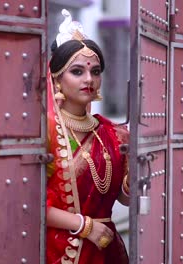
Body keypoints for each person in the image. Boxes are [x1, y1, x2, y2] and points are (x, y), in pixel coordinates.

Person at [46, 9, 130, 264]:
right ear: (57, 79)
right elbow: (29, 204)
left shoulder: (113, 133)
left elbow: (125, 200)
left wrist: (135, 174)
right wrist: (84, 226)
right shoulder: (48, 131)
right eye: (77, 71)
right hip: (61, 250)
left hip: (105, 249)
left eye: (95, 71)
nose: (89, 79)